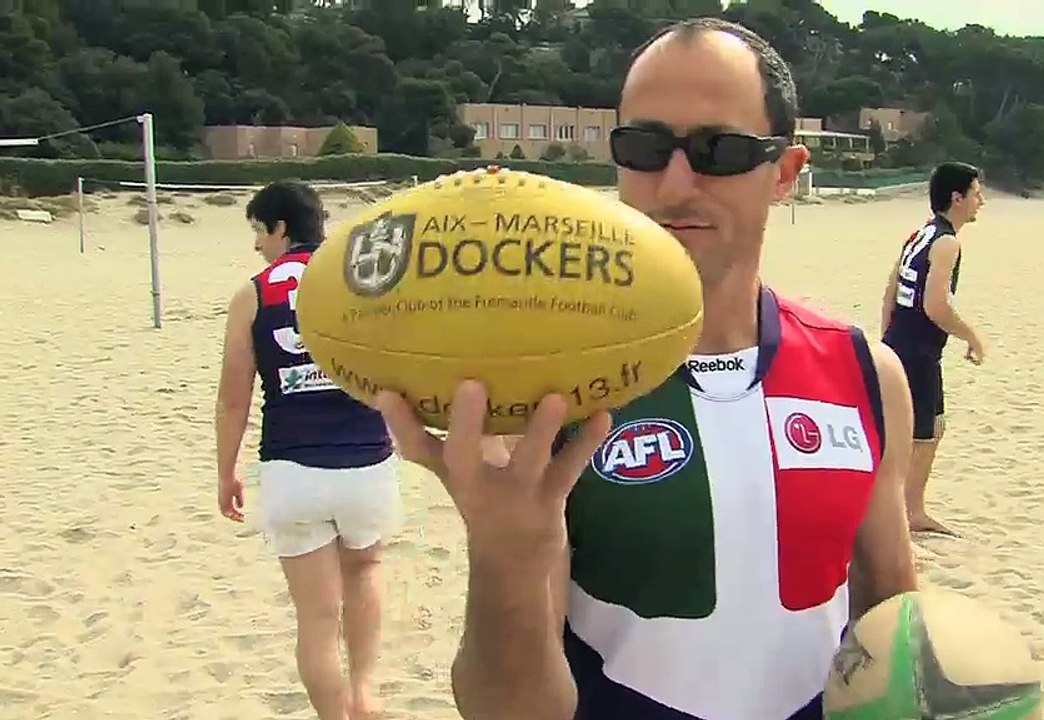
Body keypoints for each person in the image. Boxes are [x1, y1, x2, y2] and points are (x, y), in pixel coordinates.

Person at [376, 18, 918, 720]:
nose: (675, 182)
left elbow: (896, 620)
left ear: (785, 172)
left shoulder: (865, 373)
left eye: (718, 149)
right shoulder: (546, 395)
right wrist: (506, 553)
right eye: (645, 147)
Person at [214, 180, 401, 720]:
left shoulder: (254, 292)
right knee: (365, 574)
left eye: (258, 231)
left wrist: (226, 472)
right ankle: (365, 695)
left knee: (317, 621)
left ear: (280, 228)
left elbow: (233, 399)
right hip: (367, 460)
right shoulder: (367, 280)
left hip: (292, 467)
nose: (256, 245)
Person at [879, 161, 986, 537]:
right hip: (919, 351)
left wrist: (887, 339)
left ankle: (906, 510)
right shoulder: (946, 242)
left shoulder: (920, 234)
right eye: (976, 194)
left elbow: (891, 286)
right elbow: (935, 305)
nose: (981, 201)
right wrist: (971, 336)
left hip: (900, 344)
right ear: (957, 198)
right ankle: (909, 513)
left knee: (913, 431)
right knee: (925, 433)